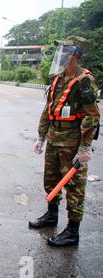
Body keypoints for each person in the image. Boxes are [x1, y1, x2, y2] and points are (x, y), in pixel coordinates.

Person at [30, 36, 100, 247]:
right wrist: (41, 136)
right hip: (54, 140)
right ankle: (51, 216)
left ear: (75, 56)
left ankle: (72, 231)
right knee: (50, 182)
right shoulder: (58, 78)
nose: (59, 56)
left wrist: (85, 147)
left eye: (64, 52)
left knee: (74, 188)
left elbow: (92, 116)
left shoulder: (84, 80)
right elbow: (48, 109)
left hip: (72, 145)